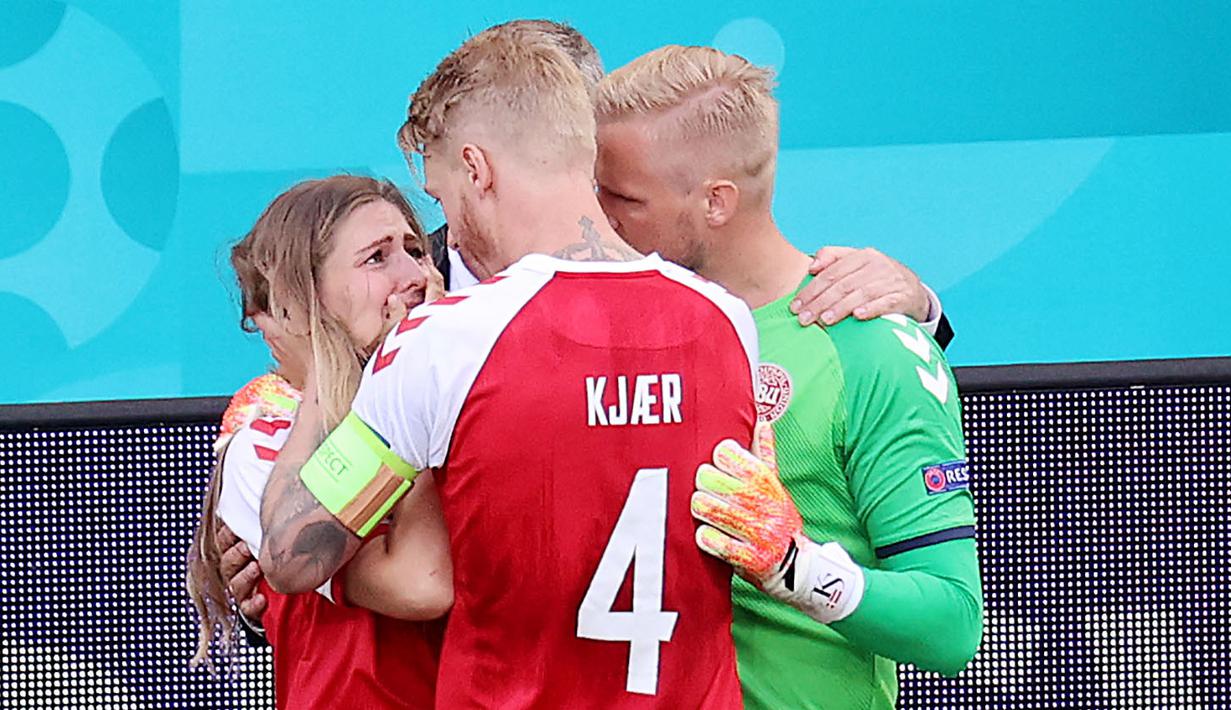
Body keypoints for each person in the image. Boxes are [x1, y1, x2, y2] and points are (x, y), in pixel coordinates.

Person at [257, 26, 756, 707]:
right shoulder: (725, 322)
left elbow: (291, 554)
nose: (450, 235)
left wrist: (318, 367)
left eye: (440, 198)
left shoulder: (446, 339)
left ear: (476, 168)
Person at [592, 46, 983, 709]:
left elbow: (950, 624)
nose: (596, 216)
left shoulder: (867, 346)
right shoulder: (601, 329)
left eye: (621, 197)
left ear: (716, 202)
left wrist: (792, 566)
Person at [186, 175, 451, 709]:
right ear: (300, 303)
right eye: (377, 258)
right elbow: (421, 585)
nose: (415, 275)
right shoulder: (263, 443)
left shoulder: (473, 400)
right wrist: (407, 380)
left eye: (416, 251)